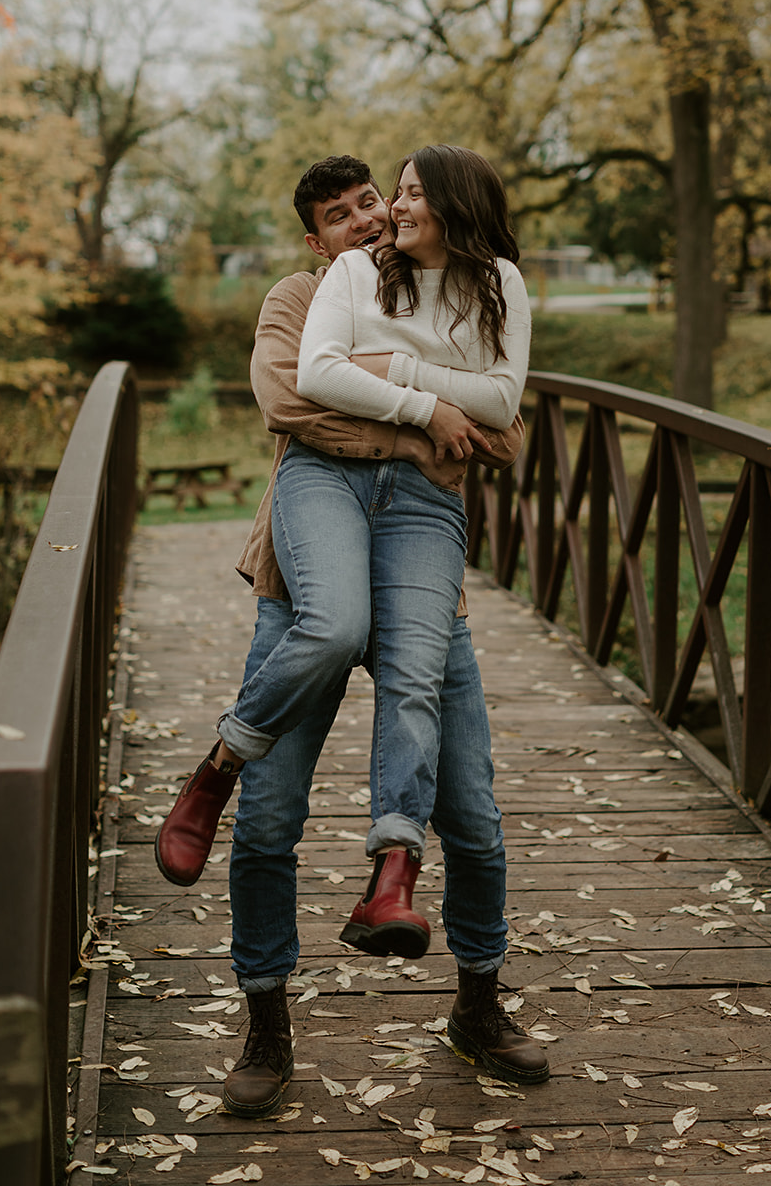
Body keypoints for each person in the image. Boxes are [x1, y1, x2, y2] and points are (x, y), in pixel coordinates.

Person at [156, 154, 548, 1114]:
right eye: (342, 216)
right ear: (315, 239)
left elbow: (501, 431)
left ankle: (478, 1002)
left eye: (376, 201)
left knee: (475, 814)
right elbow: (291, 403)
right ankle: (265, 1019)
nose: (368, 221)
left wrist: (402, 393)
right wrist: (421, 426)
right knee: (273, 816)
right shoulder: (305, 294)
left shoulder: (459, 286)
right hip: (308, 572)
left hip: (421, 572)